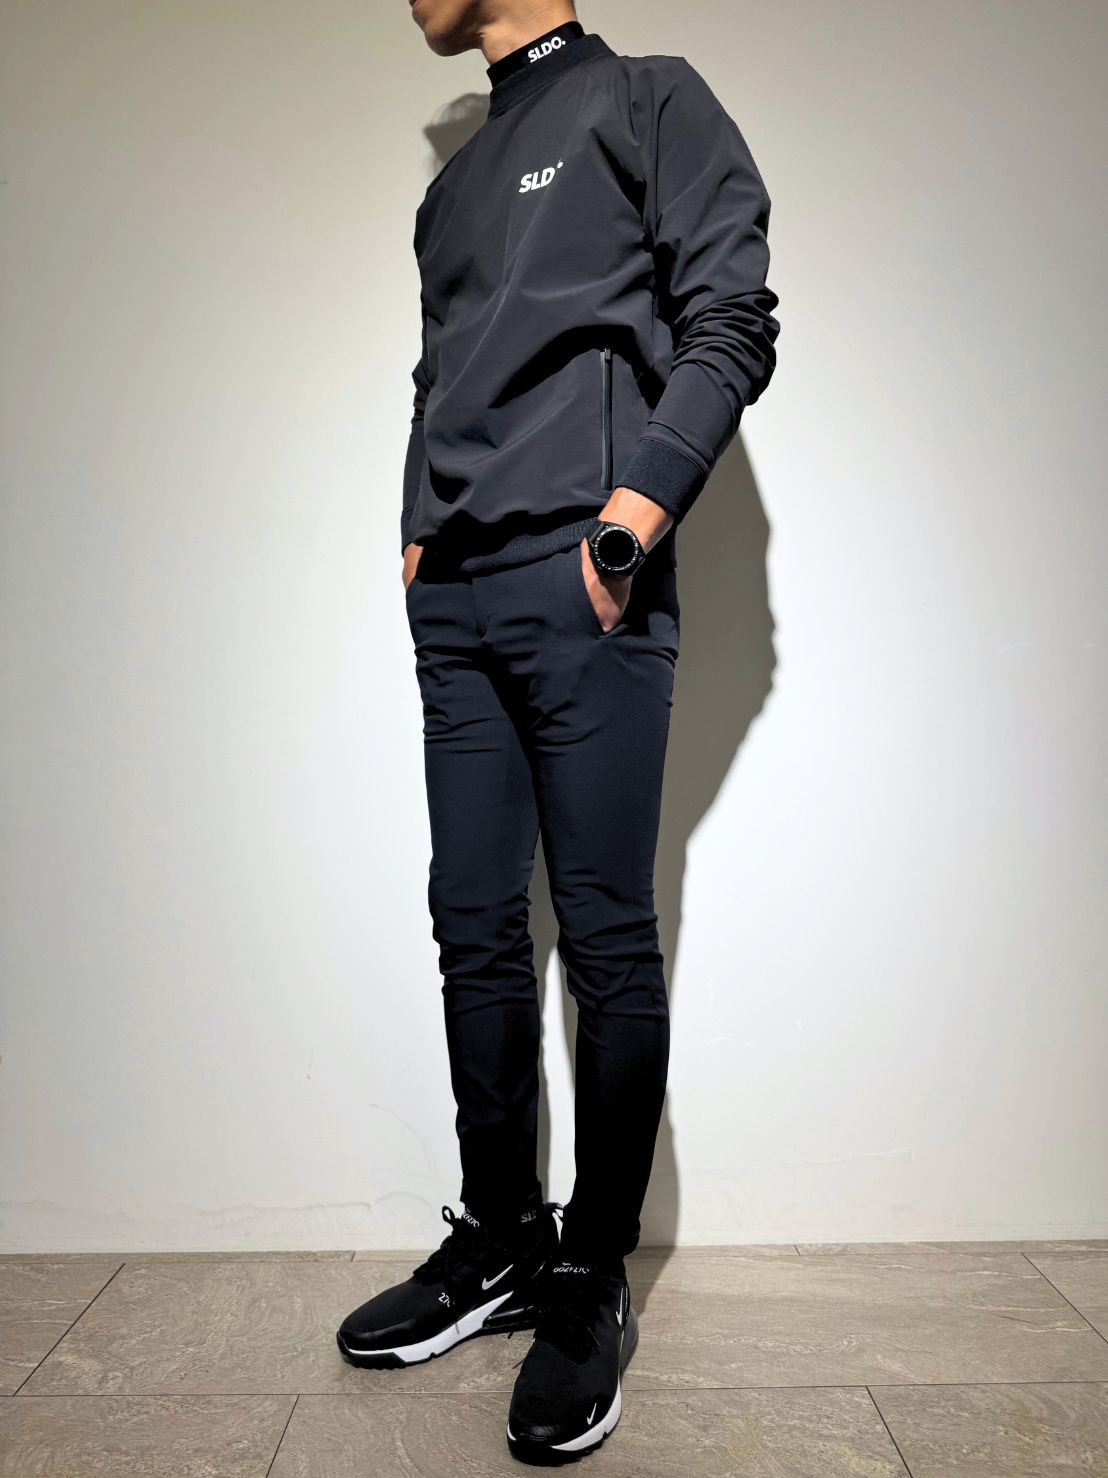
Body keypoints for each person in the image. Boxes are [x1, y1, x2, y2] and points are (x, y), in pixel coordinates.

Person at [337, 0, 779, 1461]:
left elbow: (733, 315)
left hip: (585, 578)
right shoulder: (452, 185)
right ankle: (502, 1238)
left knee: (601, 934)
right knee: (471, 920)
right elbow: (439, 374)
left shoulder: (649, 97)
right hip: (458, 594)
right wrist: (417, 529)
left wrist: (633, 515)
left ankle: (591, 1271)